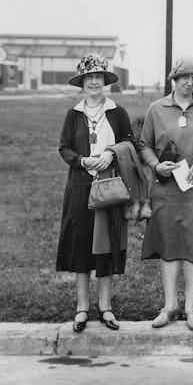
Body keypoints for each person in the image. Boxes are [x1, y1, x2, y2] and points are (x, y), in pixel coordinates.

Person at [138, 57, 193, 331]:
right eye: (184, 77)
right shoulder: (156, 109)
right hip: (166, 189)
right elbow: (144, 145)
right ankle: (170, 305)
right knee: (169, 244)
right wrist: (156, 165)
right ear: (173, 80)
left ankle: (191, 307)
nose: (189, 82)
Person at [56, 53, 134, 332]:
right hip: (79, 186)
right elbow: (64, 147)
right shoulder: (74, 114)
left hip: (110, 184)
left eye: (98, 77)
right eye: (89, 78)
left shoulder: (117, 112)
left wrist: (111, 154)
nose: (94, 82)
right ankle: (81, 308)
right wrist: (81, 161)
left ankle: (106, 307)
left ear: (105, 81)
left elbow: (130, 143)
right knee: (80, 243)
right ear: (82, 82)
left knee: (106, 244)